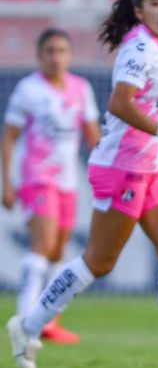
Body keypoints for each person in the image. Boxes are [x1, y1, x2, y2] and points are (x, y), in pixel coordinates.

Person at [6, 0, 158, 368]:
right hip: (121, 168)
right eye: (157, 4)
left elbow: (149, 105)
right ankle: (27, 324)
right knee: (100, 260)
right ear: (139, 11)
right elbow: (120, 102)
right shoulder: (139, 48)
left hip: (150, 166)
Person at [1, 28, 101, 345]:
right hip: (36, 178)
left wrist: (104, 173)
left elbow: (92, 136)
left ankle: (48, 321)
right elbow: (9, 138)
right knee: (42, 245)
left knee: (58, 251)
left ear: (69, 55)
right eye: (50, 51)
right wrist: (7, 182)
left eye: (61, 51)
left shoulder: (80, 88)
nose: (56, 57)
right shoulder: (27, 89)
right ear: (39, 55)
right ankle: (24, 320)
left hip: (68, 181)